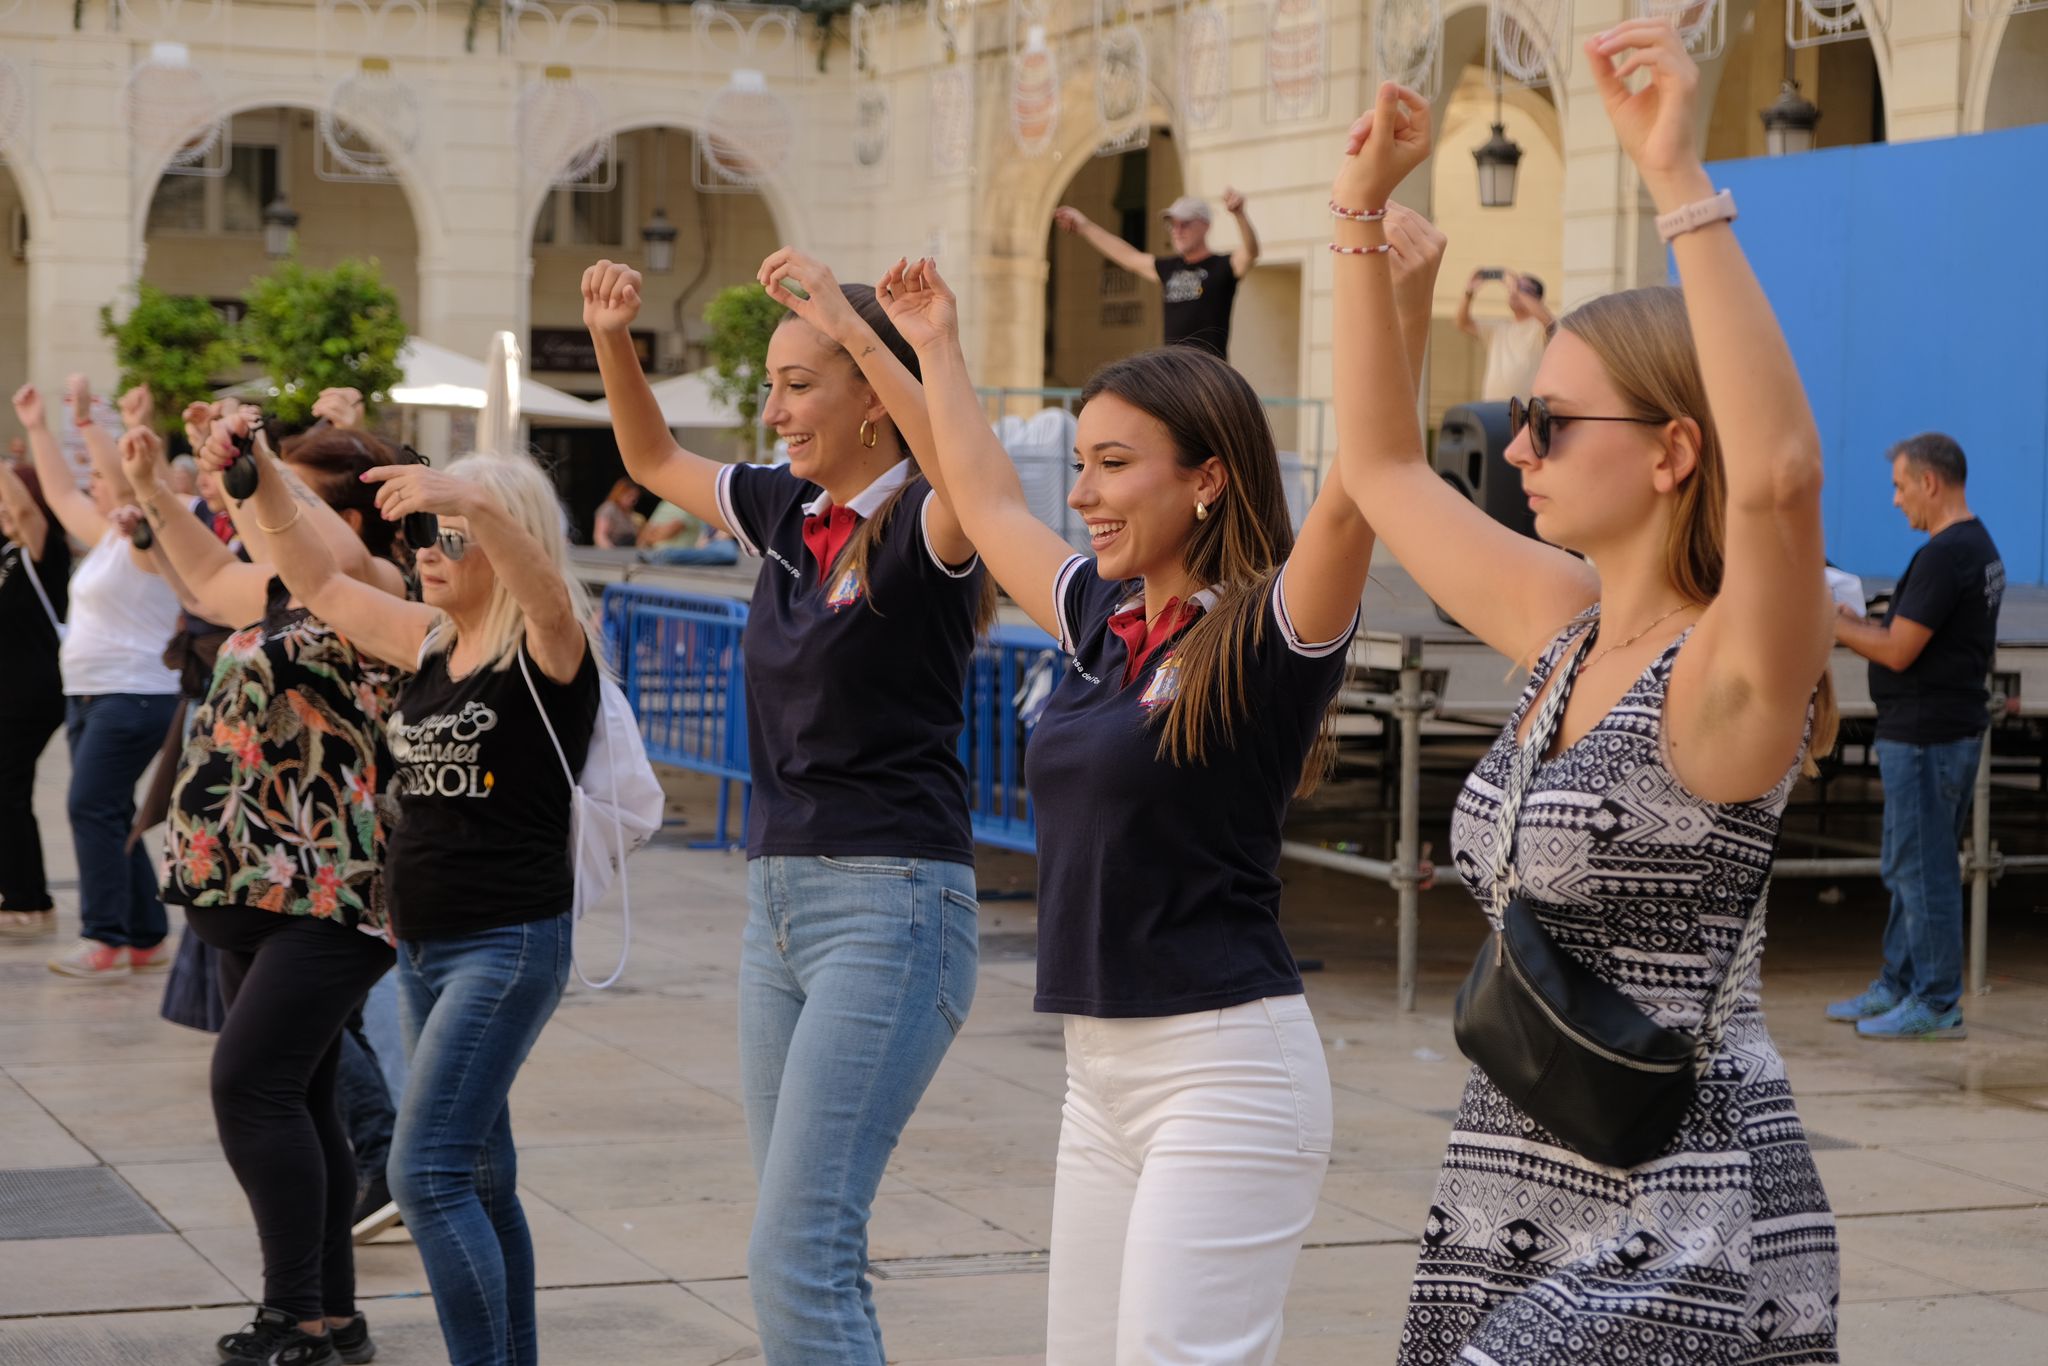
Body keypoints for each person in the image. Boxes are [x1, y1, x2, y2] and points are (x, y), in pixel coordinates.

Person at [1327, 29, 1842, 1365]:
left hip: (1679, 1200)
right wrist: (1359, 215)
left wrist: (1676, 174)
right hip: (1510, 1169)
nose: (1519, 443)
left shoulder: (1729, 669)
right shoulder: (1562, 628)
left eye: (1555, 421)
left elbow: (1779, 474)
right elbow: (1380, 467)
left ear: (1673, 449)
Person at [874, 203, 1439, 1359]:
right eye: (1079, 466)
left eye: (1114, 466)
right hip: (1100, 1074)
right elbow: (982, 500)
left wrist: (1383, 280)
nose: (1081, 495)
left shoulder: (1265, 632)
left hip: (1223, 1072)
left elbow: (1362, 483)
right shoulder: (1099, 617)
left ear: (1207, 481)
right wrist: (932, 346)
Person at [584, 250, 990, 1365]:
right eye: (772, 384)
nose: (773, 411)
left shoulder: (929, 525)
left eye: (798, 382)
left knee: (792, 1247)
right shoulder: (784, 512)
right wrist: (613, 338)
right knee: (802, 1237)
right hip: (776, 906)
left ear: (871, 397)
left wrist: (863, 330)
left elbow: (964, 473)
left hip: (891, 906)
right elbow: (651, 454)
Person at [200, 412, 598, 1366]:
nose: (423, 552)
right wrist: (256, 475)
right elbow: (322, 580)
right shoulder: (428, 643)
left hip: (506, 946)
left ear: (504, 543)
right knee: (484, 1178)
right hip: (423, 945)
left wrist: (470, 500)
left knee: (426, 1176)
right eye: (419, 535)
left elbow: (545, 594)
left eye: (445, 537)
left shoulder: (547, 653)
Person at [122, 411, 406, 1366]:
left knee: (249, 1085)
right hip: (253, 886)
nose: (267, 514)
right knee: (302, 1096)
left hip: (330, 889)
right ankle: (330, 1316)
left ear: (355, 519)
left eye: (294, 502)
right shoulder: (280, 595)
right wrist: (153, 489)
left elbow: (305, 538)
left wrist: (259, 469)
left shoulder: (380, 590)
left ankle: (294, 1316)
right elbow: (203, 579)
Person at [1827, 432, 2001, 1041]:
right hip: (1938, 732)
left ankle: (1934, 999)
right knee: (1910, 864)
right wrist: (1863, 622)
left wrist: (1835, 625)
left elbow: (1900, 650)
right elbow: (1917, 632)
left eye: (1902, 486)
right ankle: (1897, 983)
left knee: (1921, 869)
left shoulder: (1945, 553)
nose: (1897, 500)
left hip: (1927, 736)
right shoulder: (1975, 548)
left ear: (1930, 482)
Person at [13, 379, 183, 979]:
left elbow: (130, 477)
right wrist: (37, 426)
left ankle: (104, 936)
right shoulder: (109, 538)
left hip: (133, 695)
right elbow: (58, 491)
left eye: (101, 479)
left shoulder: (149, 540)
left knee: (89, 806)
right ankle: (145, 936)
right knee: (110, 811)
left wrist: (92, 425)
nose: (91, 484)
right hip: (91, 696)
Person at [1053, 188, 1259, 358]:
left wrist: (1240, 215)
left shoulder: (1221, 266)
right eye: (1173, 224)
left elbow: (1250, 252)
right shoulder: (1169, 268)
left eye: (1185, 223)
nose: (1177, 231)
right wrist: (1084, 226)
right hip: (1173, 372)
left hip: (1210, 373)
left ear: (1205, 225)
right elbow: (1128, 257)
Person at [0, 459, 69, 940]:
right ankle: (17, 891)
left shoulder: (44, 555)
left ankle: (29, 899)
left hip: (32, 693)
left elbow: (27, 515)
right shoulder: (4, 552)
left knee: (6, 788)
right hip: (7, 693)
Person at [1456, 266, 1554, 403]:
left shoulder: (1539, 328)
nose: (1513, 292)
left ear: (1537, 299)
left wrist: (1515, 288)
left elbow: (1549, 321)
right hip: (1492, 408)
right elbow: (1463, 323)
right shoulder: (1499, 327)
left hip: (1526, 412)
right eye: (1513, 287)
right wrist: (1469, 292)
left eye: (1524, 288)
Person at [635, 494, 738, 565]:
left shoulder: (688, 505)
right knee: (728, 552)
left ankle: (663, 555)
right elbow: (648, 533)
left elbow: (670, 530)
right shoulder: (668, 504)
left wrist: (655, 534)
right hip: (685, 550)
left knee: (727, 550)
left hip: (702, 546)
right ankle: (664, 555)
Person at [592, 475, 642, 547]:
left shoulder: (631, 513)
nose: (633, 500)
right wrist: (612, 553)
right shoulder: (609, 508)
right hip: (612, 550)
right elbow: (600, 535)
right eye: (629, 496)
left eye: (635, 497)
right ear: (619, 493)